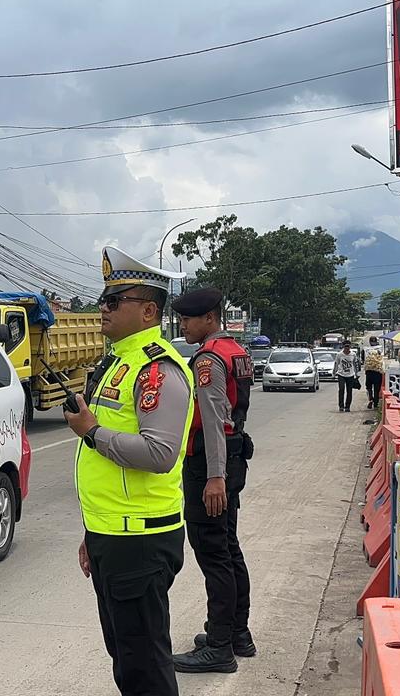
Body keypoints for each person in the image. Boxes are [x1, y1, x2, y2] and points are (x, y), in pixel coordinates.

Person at [65, 246, 194, 696]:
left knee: (144, 665)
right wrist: (92, 531)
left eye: (113, 301)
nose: (102, 308)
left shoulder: (158, 369)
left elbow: (160, 454)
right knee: (126, 655)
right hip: (112, 533)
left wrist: (91, 432)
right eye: (103, 299)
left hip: (140, 537)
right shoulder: (120, 362)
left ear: (147, 311)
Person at [169, 288, 256, 675]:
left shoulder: (208, 359)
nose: (182, 325)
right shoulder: (236, 351)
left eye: (187, 319)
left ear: (209, 318)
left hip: (211, 462)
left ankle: (220, 647)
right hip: (234, 454)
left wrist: (214, 478)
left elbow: (214, 419)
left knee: (213, 554)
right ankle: (237, 634)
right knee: (229, 547)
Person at [334, 342, 361, 412]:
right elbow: (336, 363)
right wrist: (334, 372)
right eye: (345, 346)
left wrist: (356, 373)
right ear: (343, 347)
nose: (347, 348)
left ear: (350, 347)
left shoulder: (353, 354)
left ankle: (347, 406)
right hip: (341, 374)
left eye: (348, 346)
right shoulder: (339, 355)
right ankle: (341, 406)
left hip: (350, 375)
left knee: (349, 391)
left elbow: (355, 364)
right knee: (341, 389)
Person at [363, 336, 385, 409]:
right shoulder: (379, 350)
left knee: (369, 387)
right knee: (376, 388)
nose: (372, 343)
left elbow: (364, 360)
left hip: (370, 371)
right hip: (377, 372)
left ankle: (372, 399)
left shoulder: (368, 350)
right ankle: (375, 403)